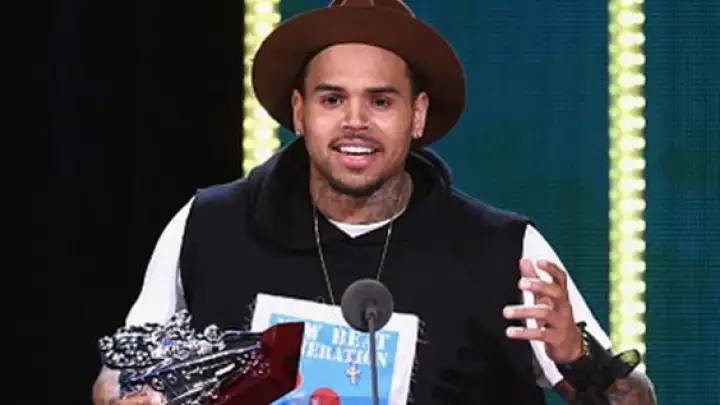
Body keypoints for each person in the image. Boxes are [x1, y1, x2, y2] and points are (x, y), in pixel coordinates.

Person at [92, 1, 657, 404]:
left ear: (417, 115)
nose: (355, 122)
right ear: (299, 112)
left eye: (381, 101)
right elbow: (116, 378)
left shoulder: (505, 250)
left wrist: (576, 354)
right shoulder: (208, 225)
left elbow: (633, 397)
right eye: (332, 99)